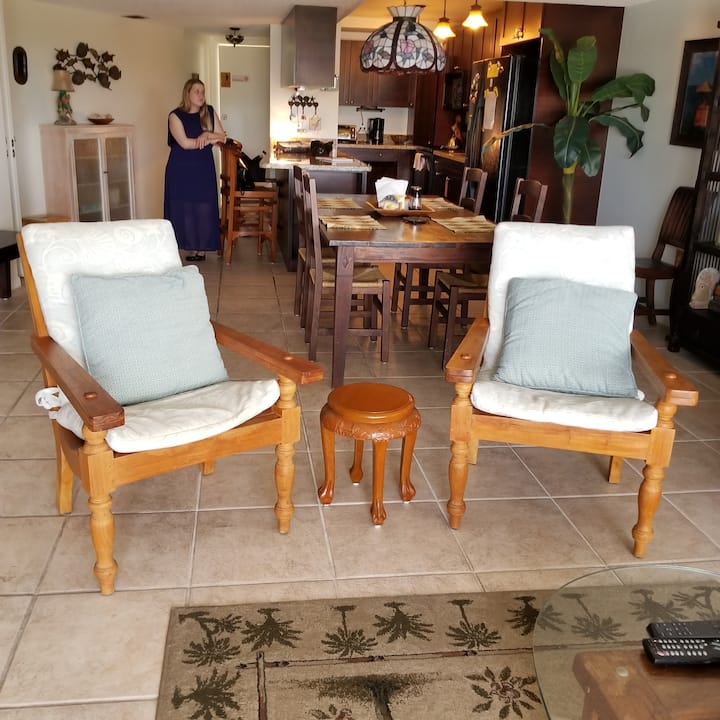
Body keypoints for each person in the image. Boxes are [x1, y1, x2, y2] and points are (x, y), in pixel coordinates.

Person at [164, 78, 226, 261]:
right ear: (187, 94)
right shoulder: (175, 116)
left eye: (203, 91)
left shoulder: (209, 112)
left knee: (204, 205)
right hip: (181, 168)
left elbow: (222, 137)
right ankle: (190, 246)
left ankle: (202, 248)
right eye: (197, 91)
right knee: (185, 206)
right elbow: (185, 143)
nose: (201, 95)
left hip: (203, 166)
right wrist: (208, 139)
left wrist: (207, 134)